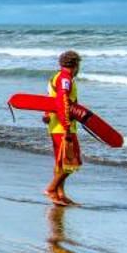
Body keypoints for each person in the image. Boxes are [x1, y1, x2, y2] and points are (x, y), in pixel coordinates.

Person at [44, 49, 84, 205]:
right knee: (73, 162)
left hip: (55, 125)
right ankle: (52, 189)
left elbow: (50, 99)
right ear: (75, 64)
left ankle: (60, 195)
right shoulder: (64, 78)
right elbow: (62, 101)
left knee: (61, 163)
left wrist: (47, 113)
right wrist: (67, 126)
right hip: (63, 126)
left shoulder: (56, 77)